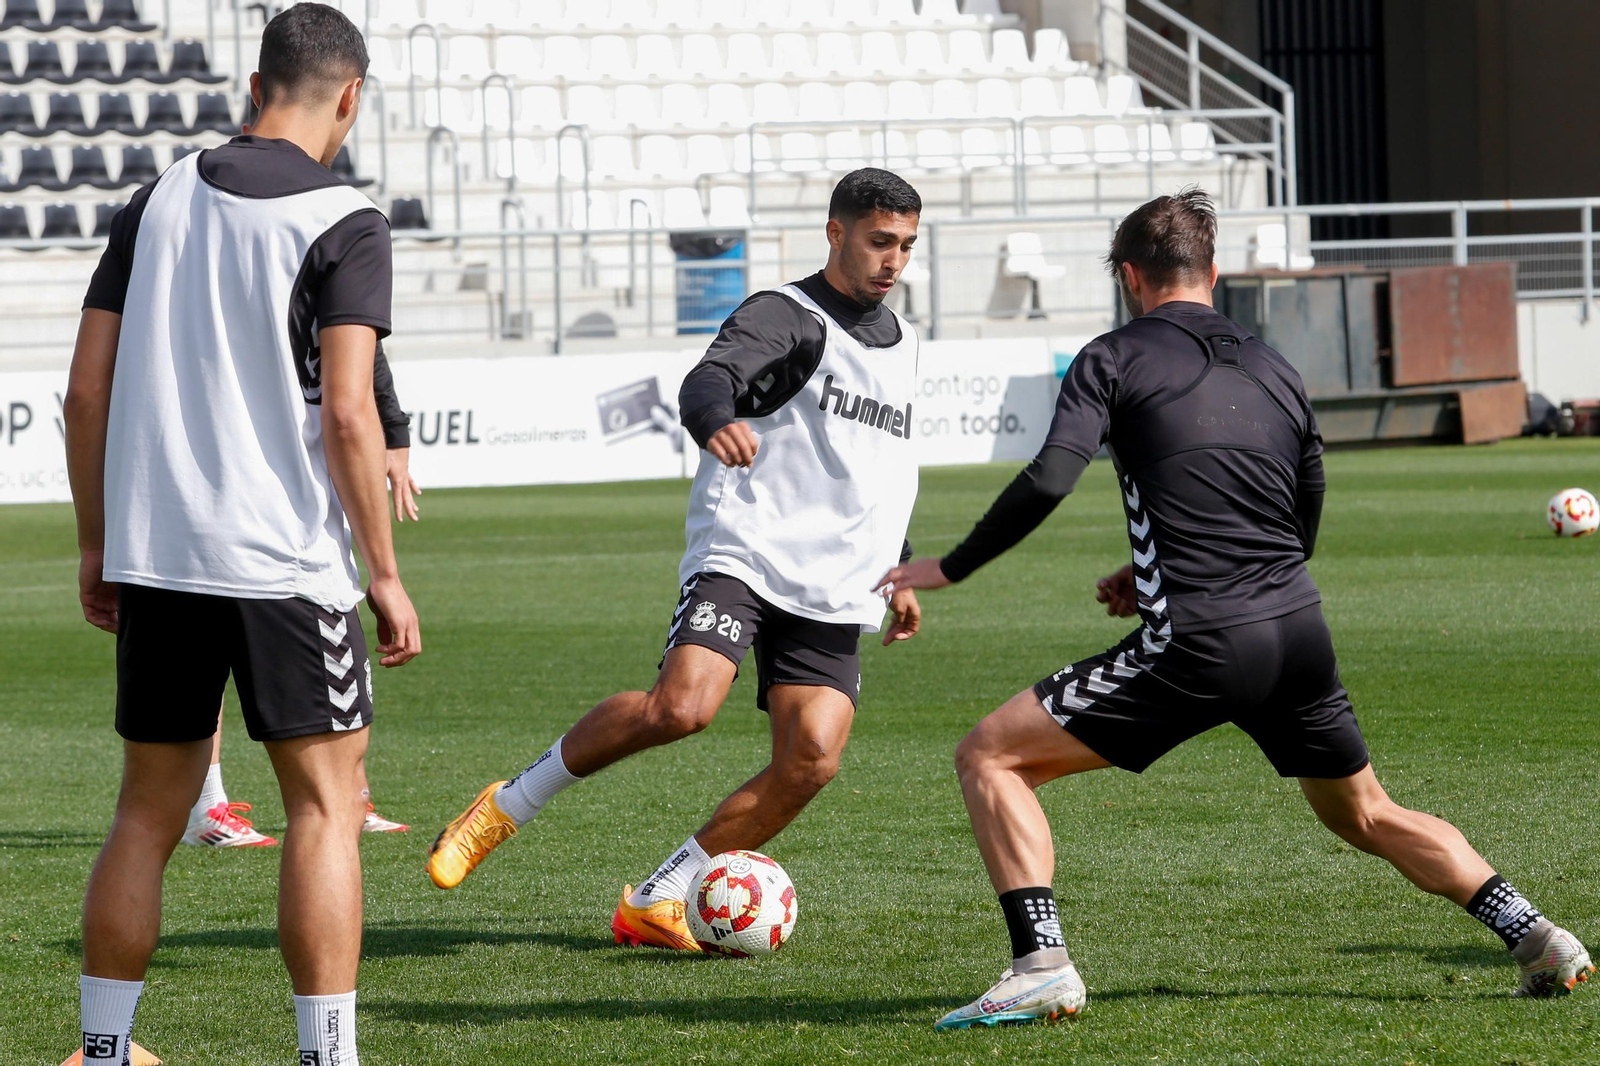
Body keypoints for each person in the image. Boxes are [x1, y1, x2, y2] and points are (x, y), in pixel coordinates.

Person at [877, 188, 1593, 1029]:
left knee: (990, 758)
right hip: (1296, 631)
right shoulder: (1276, 367)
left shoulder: (1111, 356)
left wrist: (947, 568)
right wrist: (1149, 568)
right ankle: (1539, 936)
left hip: (1204, 638)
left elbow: (1048, 478)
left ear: (1130, 278)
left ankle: (1041, 965)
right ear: (1212, 273)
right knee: (1365, 811)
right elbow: (1299, 520)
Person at [428, 168, 925, 953]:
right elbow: (709, 379)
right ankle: (508, 804)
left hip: (836, 582)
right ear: (836, 233)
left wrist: (897, 566)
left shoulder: (903, 345)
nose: (892, 260)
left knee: (812, 762)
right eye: (878, 241)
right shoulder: (786, 315)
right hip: (750, 551)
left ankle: (658, 896)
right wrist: (716, 420)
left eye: (905, 245)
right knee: (682, 708)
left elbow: (877, 467)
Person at [61, 6, 421, 1064]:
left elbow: (85, 393)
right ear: (348, 98)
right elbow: (351, 413)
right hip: (286, 566)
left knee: (145, 815)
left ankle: (106, 1050)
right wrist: (386, 574)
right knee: (323, 808)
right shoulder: (346, 219)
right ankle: (326, 1055)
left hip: (158, 555)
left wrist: (96, 545)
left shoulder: (154, 198)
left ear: (254, 82)